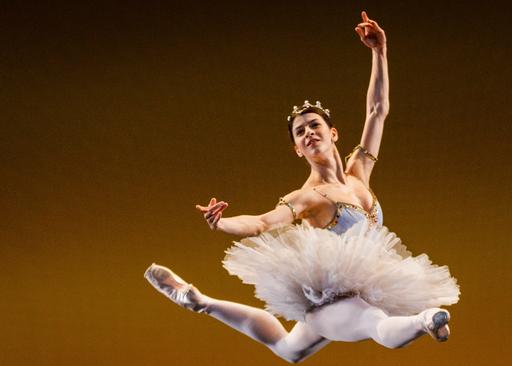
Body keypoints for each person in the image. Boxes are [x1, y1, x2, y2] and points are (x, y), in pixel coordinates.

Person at [144, 11, 460, 363]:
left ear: (332, 133)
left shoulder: (359, 173)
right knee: (376, 326)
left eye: (314, 125)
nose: (309, 132)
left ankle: (198, 301)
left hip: (366, 290)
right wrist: (222, 223)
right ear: (298, 149)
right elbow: (264, 222)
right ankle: (426, 320)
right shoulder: (309, 197)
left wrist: (379, 52)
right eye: (300, 132)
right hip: (337, 297)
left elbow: (377, 110)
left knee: (290, 350)